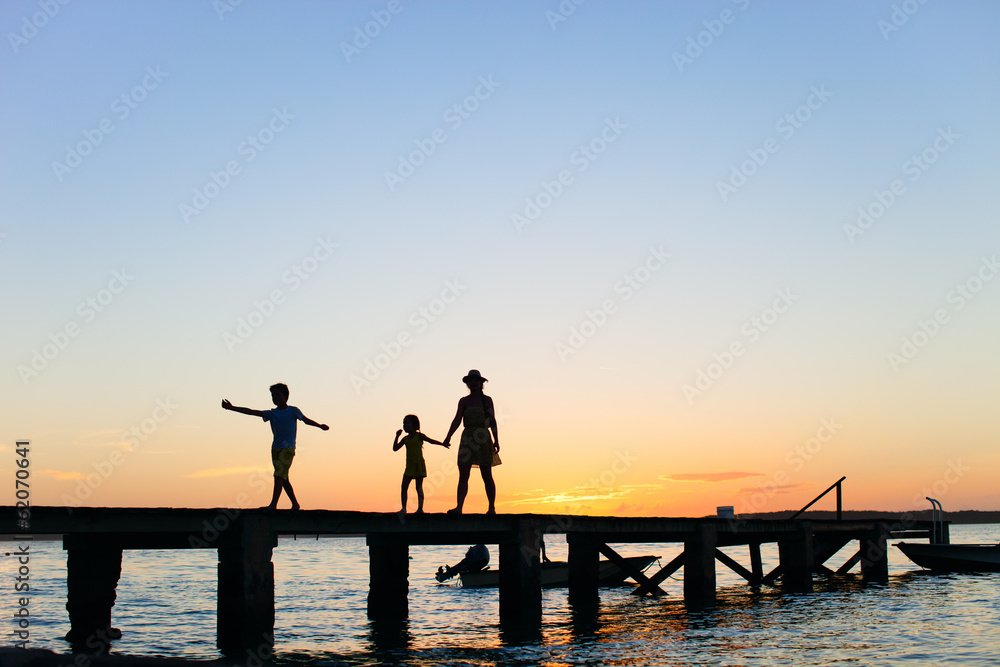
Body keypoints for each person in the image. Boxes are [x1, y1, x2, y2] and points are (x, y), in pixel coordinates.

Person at [221, 383, 328, 510]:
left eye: (277, 395)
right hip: (275, 449)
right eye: (273, 395)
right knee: (283, 478)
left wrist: (320, 426)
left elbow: (305, 420)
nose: (275, 397)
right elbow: (251, 412)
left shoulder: (293, 411)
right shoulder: (272, 414)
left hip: (287, 449)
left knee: (278, 475)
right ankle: (295, 503)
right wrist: (231, 408)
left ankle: (273, 505)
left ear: (286, 396)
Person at [442, 369, 499, 514]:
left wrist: (496, 439)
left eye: (475, 380)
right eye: (470, 380)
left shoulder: (487, 400)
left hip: (483, 437)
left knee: (486, 474)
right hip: (467, 438)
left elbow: (492, 421)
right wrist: (448, 436)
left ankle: (491, 507)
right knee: (463, 474)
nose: (473, 383)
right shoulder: (463, 401)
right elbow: (457, 420)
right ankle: (459, 507)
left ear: (481, 383)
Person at [393, 414, 448, 516]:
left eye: (407, 423)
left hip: (418, 464)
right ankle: (404, 508)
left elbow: (431, 441)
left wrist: (442, 444)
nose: (404, 425)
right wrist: (397, 436)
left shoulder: (419, 436)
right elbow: (395, 448)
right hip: (409, 466)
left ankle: (420, 509)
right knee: (404, 486)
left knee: (418, 487)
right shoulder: (405, 439)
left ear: (414, 425)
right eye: (403, 423)